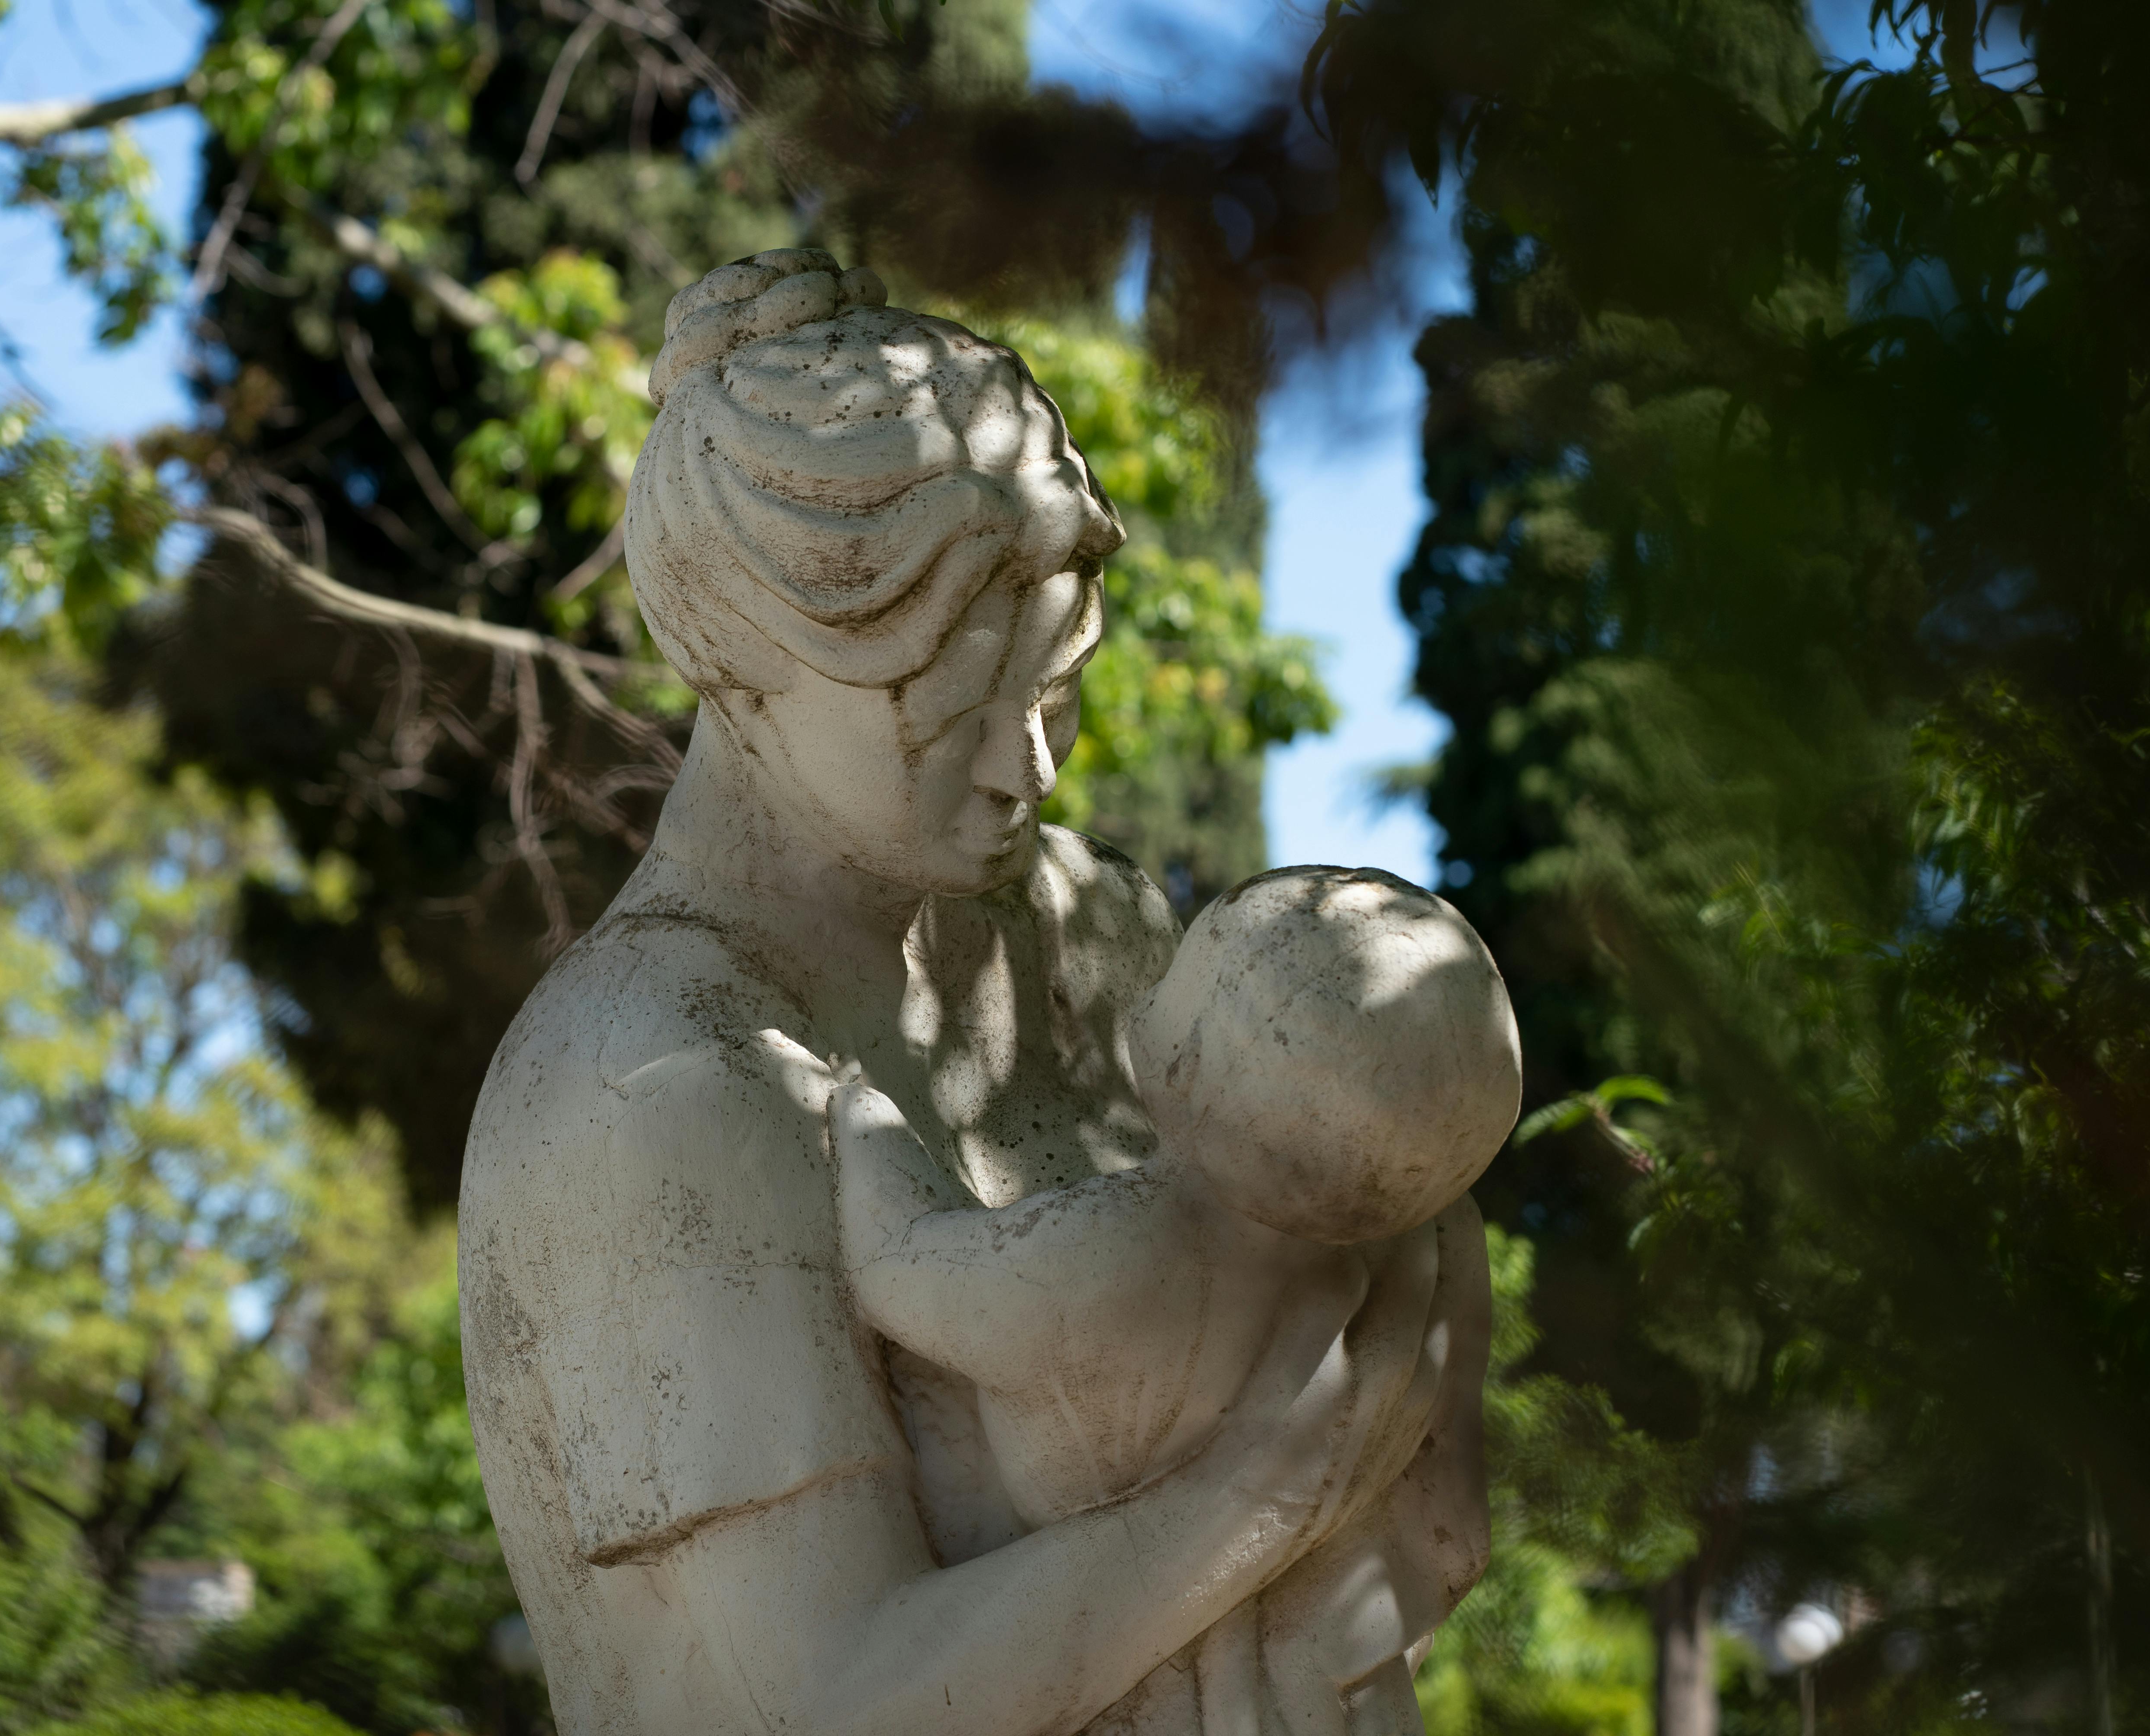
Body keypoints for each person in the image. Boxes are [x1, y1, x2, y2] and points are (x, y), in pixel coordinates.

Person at [458, 249, 1488, 1735]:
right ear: (736, 669)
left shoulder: (1103, 935)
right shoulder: (648, 1089)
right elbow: (825, 1703)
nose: (1031, 767)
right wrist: (1269, 1486)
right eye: (948, 716)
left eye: (1056, 695)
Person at [829, 865, 1516, 1730]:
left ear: (1185, 1066)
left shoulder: (1116, 1252)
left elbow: (905, 1274)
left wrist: (861, 1120)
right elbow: (1455, 1535)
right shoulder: (1429, 1259)